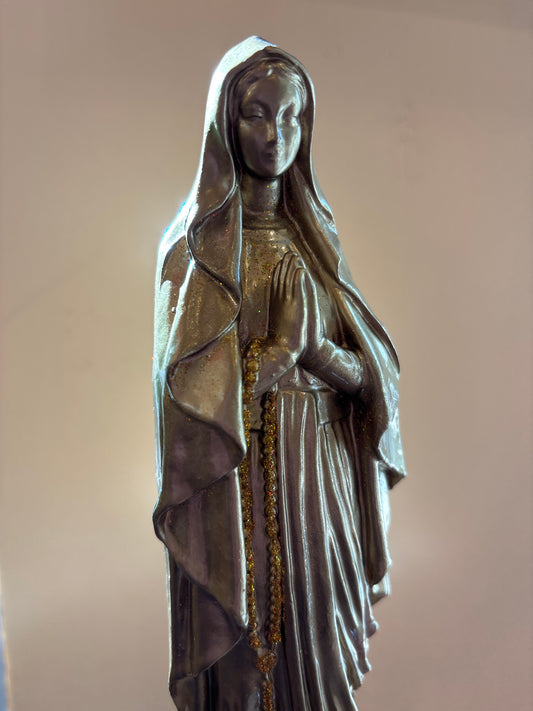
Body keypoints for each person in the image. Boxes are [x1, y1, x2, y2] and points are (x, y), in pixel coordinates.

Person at [153, 36, 406, 711]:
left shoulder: (316, 239)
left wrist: (314, 352)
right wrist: (275, 356)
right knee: (249, 652)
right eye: (257, 114)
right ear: (225, 123)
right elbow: (188, 412)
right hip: (239, 479)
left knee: (315, 646)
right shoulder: (197, 251)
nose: (276, 135)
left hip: (320, 472)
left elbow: (371, 377)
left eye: (291, 116)